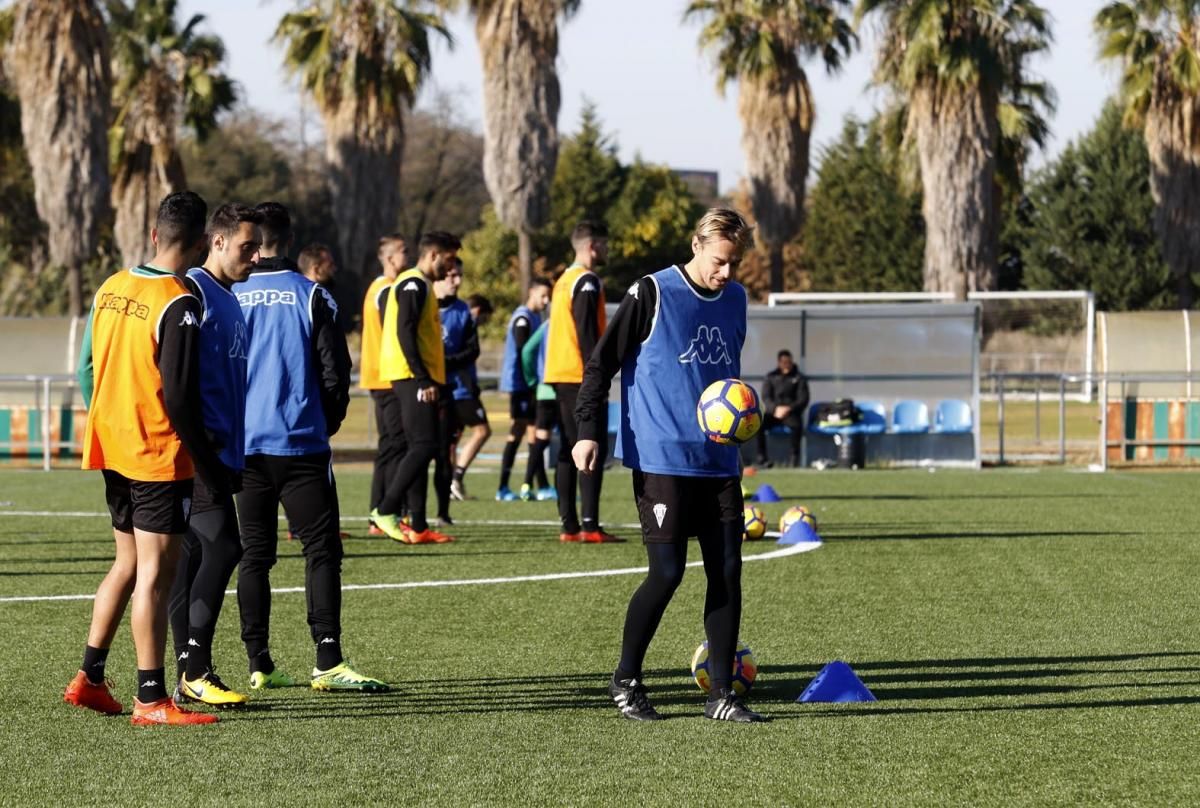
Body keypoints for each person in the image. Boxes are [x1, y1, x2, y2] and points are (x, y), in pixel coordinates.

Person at [573, 208, 766, 723]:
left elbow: (724, 376)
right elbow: (600, 365)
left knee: (728, 574)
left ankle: (722, 695)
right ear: (698, 244)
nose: (727, 273)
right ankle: (626, 679)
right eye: (721, 261)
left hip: (720, 460)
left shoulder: (737, 299)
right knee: (667, 572)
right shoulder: (651, 293)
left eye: (736, 264)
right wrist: (587, 431)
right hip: (661, 457)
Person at [67, 191, 221, 726]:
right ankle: (152, 699)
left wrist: (108, 415)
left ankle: (89, 677)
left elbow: (87, 366)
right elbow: (179, 397)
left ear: (155, 235)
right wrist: (209, 464)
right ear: (202, 244)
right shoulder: (180, 301)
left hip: (112, 446)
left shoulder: (112, 286)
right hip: (155, 453)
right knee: (156, 574)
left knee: (128, 564)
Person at [233, 202, 387, 692]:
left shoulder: (230, 292)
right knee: (321, 551)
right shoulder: (311, 294)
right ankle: (327, 657)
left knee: (254, 555)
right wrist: (329, 422)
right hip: (300, 446)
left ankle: (259, 661)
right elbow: (335, 371)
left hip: (244, 448)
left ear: (254, 240)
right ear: (291, 240)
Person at [167, 203, 261, 709]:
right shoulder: (194, 292)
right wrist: (203, 448)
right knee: (225, 547)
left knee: (194, 557)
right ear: (217, 242)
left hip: (226, 448)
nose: (256, 255)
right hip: (198, 451)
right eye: (248, 246)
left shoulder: (231, 297)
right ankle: (195, 667)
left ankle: (189, 669)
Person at [370, 231, 462, 545]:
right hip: (410, 376)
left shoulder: (420, 284)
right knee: (424, 445)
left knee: (422, 447)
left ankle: (419, 524)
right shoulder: (413, 283)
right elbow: (404, 331)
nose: (451, 269)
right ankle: (386, 509)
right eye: (448, 260)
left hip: (417, 376)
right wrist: (423, 378)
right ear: (433, 254)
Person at [544, 222, 621, 543]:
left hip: (560, 374)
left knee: (566, 450)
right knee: (590, 447)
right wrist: (598, 376)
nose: (606, 250)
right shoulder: (587, 282)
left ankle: (570, 525)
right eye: (603, 244)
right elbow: (589, 335)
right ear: (591, 246)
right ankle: (589, 524)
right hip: (580, 376)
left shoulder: (564, 279)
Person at [361, 235, 409, 536]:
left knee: (389, 447)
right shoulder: (386, 291)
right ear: (390, 259)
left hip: (380, 377)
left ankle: (377, 514)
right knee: (396, 445)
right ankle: (385, 512)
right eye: (404, 252)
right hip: (388, 378)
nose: (409, 256)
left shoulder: (379, 288)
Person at [432, 258, 481, 523]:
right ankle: (402, 512)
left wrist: (443, 363)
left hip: (451, 392)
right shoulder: (423, 303)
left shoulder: (463, 311)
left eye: (460, 275)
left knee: (444, 453)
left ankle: (442, 512)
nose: (457, 281)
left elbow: (473, 350)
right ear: (438, 276)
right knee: (414, 452)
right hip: (423, 389)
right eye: (452, 275)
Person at [496, 278, 552, 501]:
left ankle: (538, 485)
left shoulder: (535, 316)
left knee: (529, 431)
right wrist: (530, 383)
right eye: (543, 295)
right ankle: (505, 487)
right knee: (522, 431)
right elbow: (522, 352)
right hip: (521, 384)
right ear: (532, 292)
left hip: (527, 383)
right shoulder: (522, 318)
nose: (546, 301)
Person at [519, 318, 557, 501]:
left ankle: (527, 484)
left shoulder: (546, 325)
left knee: (540, 439)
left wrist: (533, 380)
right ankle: (562, 489)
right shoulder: (564, 323)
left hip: (544, 390)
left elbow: (527, 351)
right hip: (565, 389)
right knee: (569, 440)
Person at [755, 349, 810, 468]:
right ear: (779, 363)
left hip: (791, 413)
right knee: (758, 425)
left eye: (789, 362)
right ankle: (762, 458)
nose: (787, 365)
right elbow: (766, 397)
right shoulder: (771, 377)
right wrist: (775, 409)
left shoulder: (799, 378)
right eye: (784, 362)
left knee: (797, 426)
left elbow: (803, 399)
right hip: (773, 413)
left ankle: (794, 459)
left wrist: (789, 408)